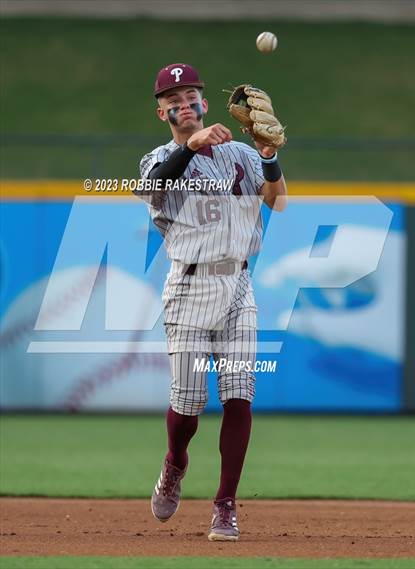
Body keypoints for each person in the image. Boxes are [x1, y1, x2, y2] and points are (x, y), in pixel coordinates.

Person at [137, 63, 287, 542]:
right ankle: (175, 463)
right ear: (162, 112)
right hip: (188, 287)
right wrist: (191, 147)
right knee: (188, 403)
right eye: (173, 99)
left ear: (204, 104)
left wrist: (267, 156)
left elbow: (276, 200)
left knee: (239, 392)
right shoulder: (156, 158)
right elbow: (154, 189)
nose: (184, 104)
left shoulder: (239, 153)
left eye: (191, 96)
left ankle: (225, 505)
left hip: (239, 284)